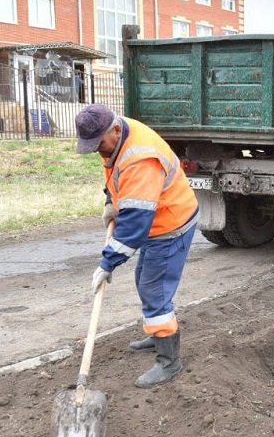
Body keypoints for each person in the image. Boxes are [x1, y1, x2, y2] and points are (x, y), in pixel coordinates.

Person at [75, 104, 200, 387]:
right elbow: (114, 174)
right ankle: (159, 336)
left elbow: (134, 226)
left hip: (170, 223)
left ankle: (169, 361)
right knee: (143, 278)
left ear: (116, 131)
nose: (97, 150)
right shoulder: (114, 136)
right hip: (157, 220)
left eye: (99, 144)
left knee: (153, 288)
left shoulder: (141, 158)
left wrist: (107, 263)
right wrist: (110, 202)